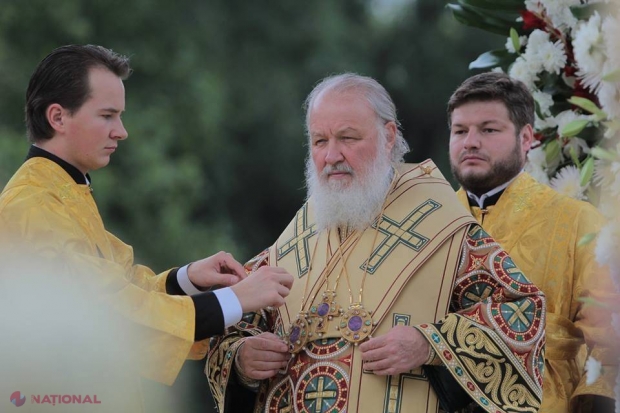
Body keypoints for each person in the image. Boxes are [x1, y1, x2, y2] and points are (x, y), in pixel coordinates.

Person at [206, 73, 546, 413]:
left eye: (347, 138)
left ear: (388, 137)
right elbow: (230, 322)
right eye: (319, 141)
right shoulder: (299, 234)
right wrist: (241, 360)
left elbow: (522, 311)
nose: (332, 156)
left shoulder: (443, 227)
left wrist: (429, 344)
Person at [0, 44, 293, 410]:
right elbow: (109, 318)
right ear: (58, 117)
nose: (121, 132)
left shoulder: (60, 190)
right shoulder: (32, 205)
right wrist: (237, 299)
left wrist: (188, 279)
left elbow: (121, 285)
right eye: (107, 116)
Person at [447, 72, 618, 413]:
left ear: (526, 138)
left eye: (488, 129)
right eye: (460, 131)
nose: (470, 142)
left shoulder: (577, 220)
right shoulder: (431, 224)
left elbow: (608, 340)